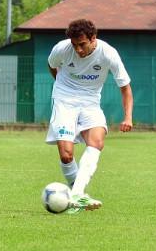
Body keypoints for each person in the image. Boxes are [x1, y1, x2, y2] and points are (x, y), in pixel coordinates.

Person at [46, 18, 133, 213]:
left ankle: (76, 195)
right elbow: (52, 64)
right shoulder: (61, 49)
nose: (78, 50)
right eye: (74, 45)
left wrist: (128, 117)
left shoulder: (108, 54)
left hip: (90, 102)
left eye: (82, 44)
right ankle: (78, 196)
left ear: (94, 38)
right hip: (64, 100)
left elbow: (125, 88)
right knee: (66, 155)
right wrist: (61, 84)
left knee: (96, 141)